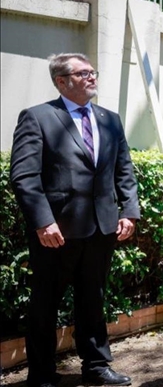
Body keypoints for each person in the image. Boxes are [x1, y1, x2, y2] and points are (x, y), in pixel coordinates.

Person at [10, 53, 139, 387]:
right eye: (82, 73)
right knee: (45, 303)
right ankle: (41, 374)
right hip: (56, 232)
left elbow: (124, 169)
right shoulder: (38, 117)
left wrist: (129, 211)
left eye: (92, 72)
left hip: (102, 228)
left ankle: (96, 367)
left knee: (93, 299)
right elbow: (24, 176)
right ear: (61, 81)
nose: (91, 77)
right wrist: (43, 221)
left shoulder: (110, 119)